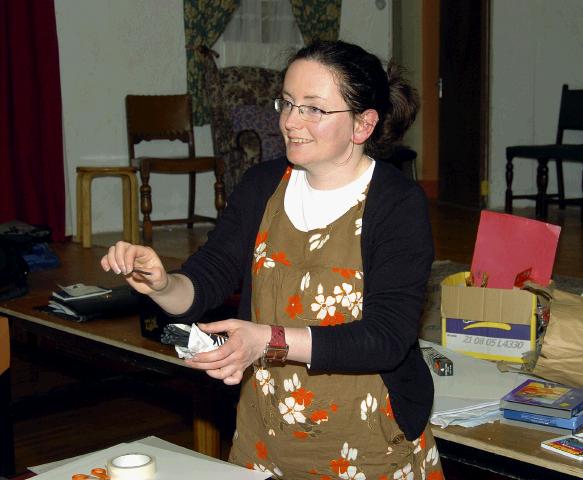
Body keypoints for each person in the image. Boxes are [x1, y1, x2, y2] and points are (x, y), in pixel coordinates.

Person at [102, 40, 443, 479]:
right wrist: (162, 284)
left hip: (369, 445)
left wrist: (268, 341)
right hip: (264, 439)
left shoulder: (396, 204)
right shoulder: (262, 185)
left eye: (313, 109)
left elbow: (386, 338)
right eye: (287, 103)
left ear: (363, 124)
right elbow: (207, 280)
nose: (289, 121)